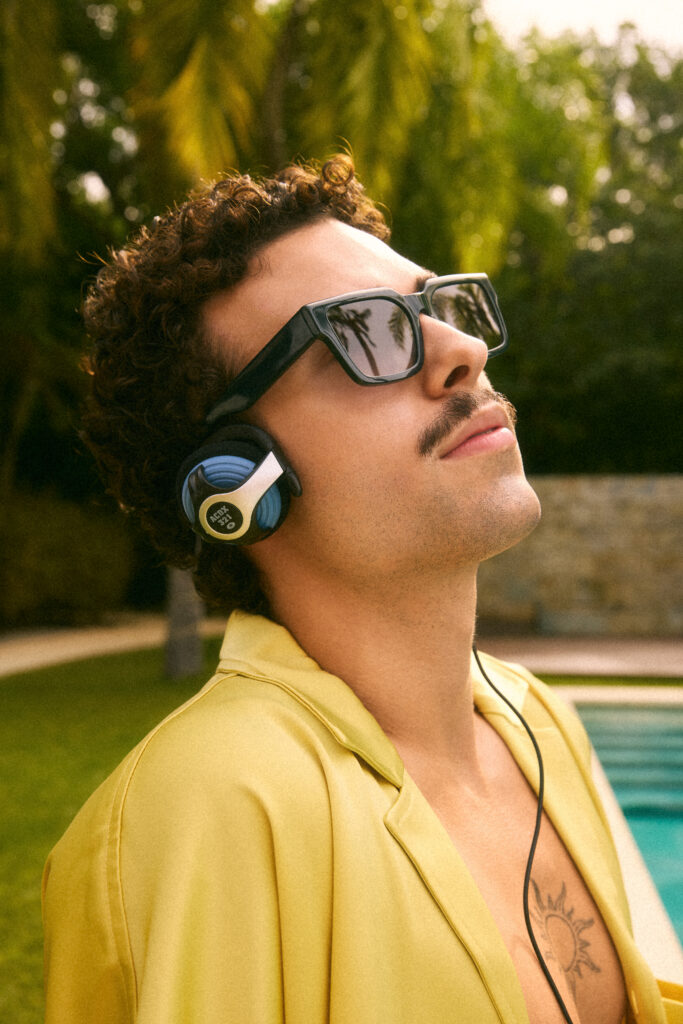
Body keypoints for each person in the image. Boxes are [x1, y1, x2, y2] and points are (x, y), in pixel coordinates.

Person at [42, 156, 677, 1024]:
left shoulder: (536, 720)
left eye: (435, 307)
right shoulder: (212, 810)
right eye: (363, 332)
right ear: (236, 481)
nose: (463, 349)